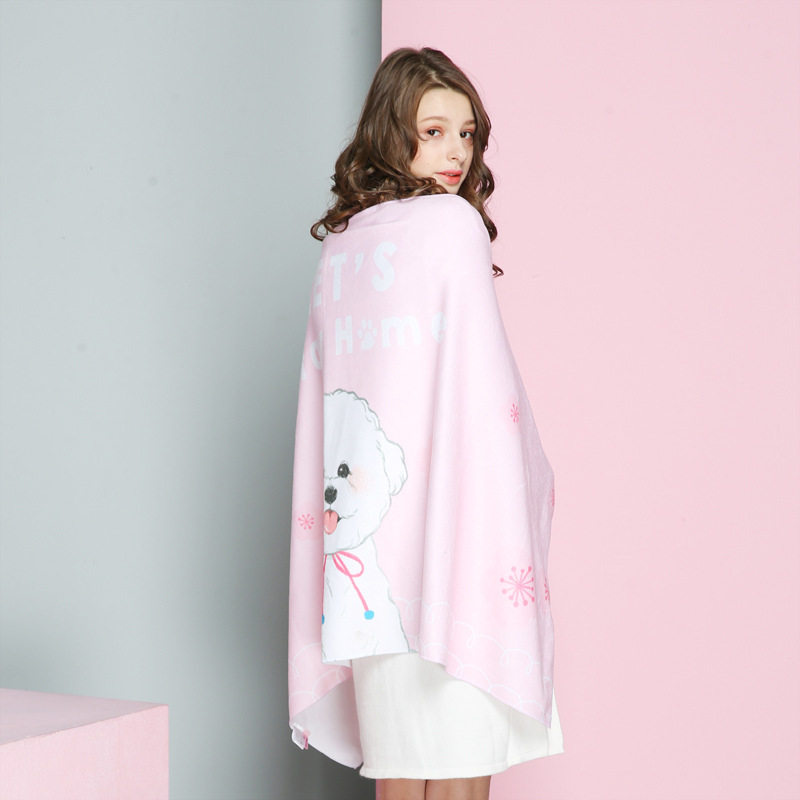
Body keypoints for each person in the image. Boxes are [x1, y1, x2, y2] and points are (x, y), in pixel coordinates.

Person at [288, 47, 564, 800]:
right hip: (455, 557)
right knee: (459, 777)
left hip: (371, 574)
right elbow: (485, 398)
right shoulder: (452, 226)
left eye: (466, 134)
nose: (455, 153)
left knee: (400, 772)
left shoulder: (343, 245)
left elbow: (332, 409)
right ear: (392, 132)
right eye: (433, 131)